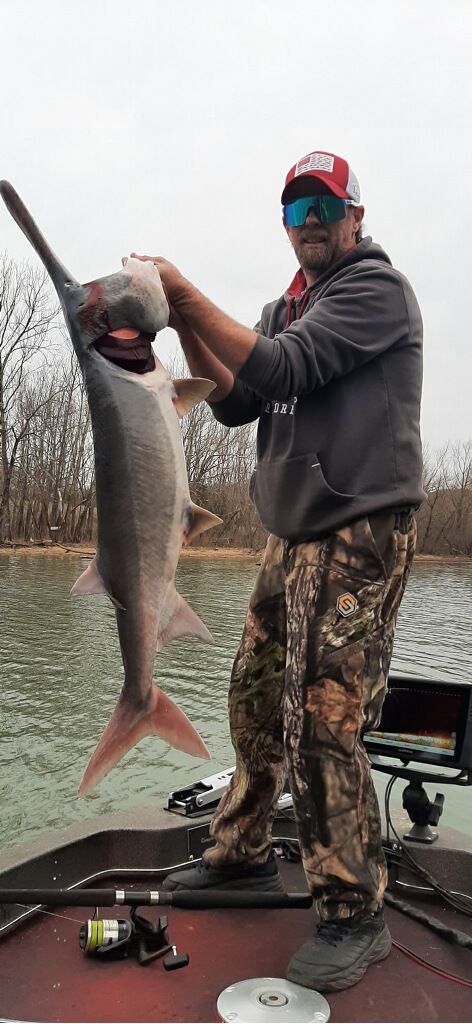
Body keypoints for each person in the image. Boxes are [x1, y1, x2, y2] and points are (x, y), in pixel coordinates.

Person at [132, 149, 424, 993]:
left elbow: (286, 367)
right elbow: (235, 402)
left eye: (325, 207)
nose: (311, 224)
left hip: (360, 531)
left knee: (322, 716)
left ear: (356, 216)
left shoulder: (377, 291)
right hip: (291, 535)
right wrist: (177, 322)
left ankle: (354, 911)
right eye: (296, 211)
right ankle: (243, 853)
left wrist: (185, 294)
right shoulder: (283, 309)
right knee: (254, 698)